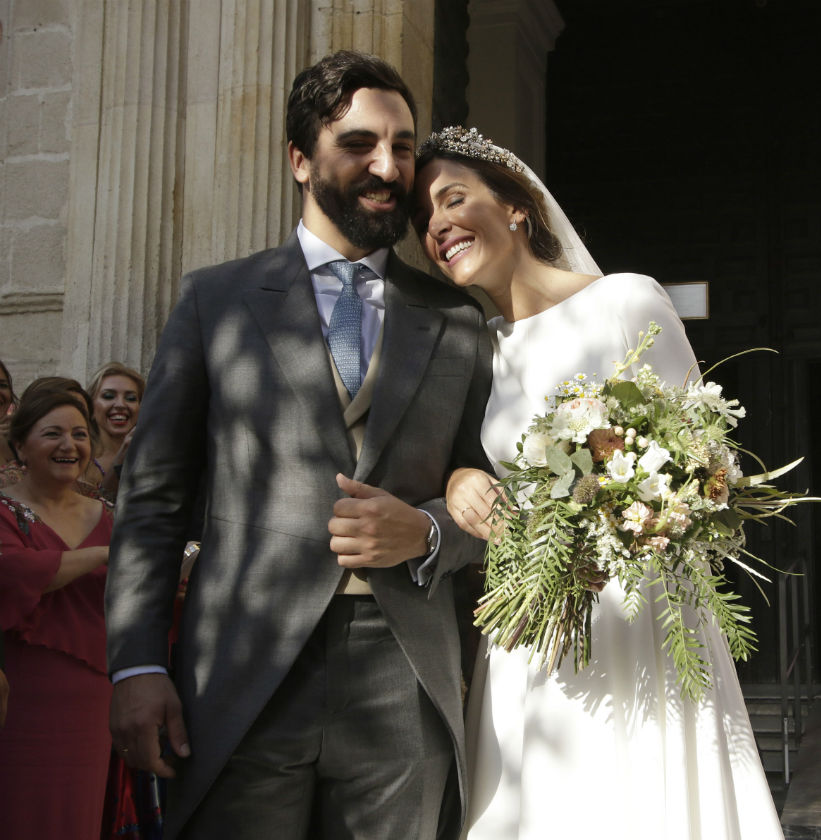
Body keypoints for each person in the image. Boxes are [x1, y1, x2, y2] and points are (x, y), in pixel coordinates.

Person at [104, 52, 492, 840]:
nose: (388, 167)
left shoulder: (458, 321)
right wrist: (137, 664)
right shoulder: (215, 300)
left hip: (405, 671)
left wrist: (424, 532)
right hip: (245, 669)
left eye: (403, 146)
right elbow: (152, 499)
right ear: (298, 159)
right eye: (359, 144)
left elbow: (492, 488)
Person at [414, 127, 784, 840]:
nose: (437, 226)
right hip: (532, 637)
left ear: (516, 207)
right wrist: (463, 476)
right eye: (423, 219)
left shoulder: (625, 303)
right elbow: (467, 463)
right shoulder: (474, 349)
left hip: (637, 619)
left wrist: (627, 521)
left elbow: (709, 472)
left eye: (453, 198)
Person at [0, 385, 114, 837]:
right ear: (21, 445)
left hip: (97, 698)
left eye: (81, 434)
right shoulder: (5, 510)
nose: (70, 445)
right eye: (53, 433)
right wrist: (108, 554)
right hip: (22, 694)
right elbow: (15, 574)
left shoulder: (111, 512)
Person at [83, 362, 146, 502]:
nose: (120, 405)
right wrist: (119, 462)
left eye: (130, 398)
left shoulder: (151, 457)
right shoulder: (79, 458)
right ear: (90, 407)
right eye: (108, 396)